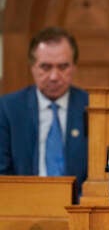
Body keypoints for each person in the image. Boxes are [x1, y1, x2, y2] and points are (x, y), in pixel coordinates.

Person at [0, 27, 88, 198]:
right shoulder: (8, 109)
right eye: (45, 67)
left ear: (74, 67)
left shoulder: (92, 107)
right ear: (32, 67)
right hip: (22, 207)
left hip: (78, 210)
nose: (54, 76)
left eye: (63, 67)